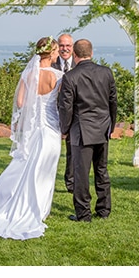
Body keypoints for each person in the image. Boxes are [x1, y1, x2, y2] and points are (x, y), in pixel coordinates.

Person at [0, 36, 64, 240]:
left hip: (31, 131)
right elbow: (62, 105)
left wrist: (32, 108)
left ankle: (10, 204)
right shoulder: (58, 76)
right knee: (44, 171)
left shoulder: (28, 74)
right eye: (56, 51)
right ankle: (38, 211)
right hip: (50, 129)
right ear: (52, 52)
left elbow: (20, 103)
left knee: (25, 166)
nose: (57, 54)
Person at [58, 38, 117, 222]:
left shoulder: (70, 77)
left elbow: (66, 107)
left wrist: (64, 129)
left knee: (81, 174)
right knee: (102, 171)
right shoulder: (106, 73)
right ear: (91, 53)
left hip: (81, 132)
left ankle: (83, 214)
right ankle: (104, 210)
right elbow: (113, 102)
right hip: (102, 129)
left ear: (75, 55)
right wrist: (111, 126)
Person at [51, 33, 75, 193]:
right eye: (61, 45)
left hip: (74, 115)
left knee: (73, 151)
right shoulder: (50, 64)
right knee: (50, 150)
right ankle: (46, 182)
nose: (64, 49)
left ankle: (71, 182)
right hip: (52, 113)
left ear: (72, 48)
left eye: (68, 46)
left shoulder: (80, 65)